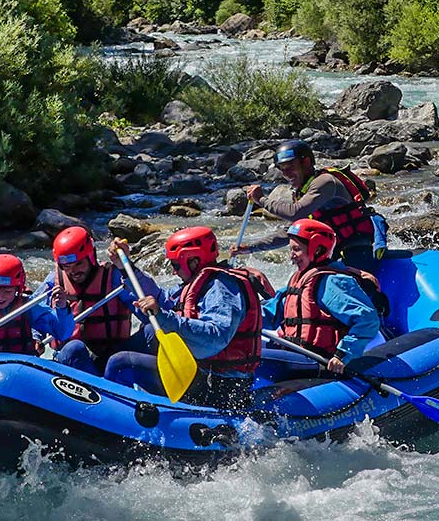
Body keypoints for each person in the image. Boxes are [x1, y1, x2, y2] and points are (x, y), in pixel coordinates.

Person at [103, 226, 266, 409]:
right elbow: (162, 301)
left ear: (194, 261)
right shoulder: (196, 283)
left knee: (121, 364)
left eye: (176, 265)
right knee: (148, 332)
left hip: (220, 386)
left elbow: (215, 338)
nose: (173, 272)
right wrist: (124, 267)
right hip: (200, 371)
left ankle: (110, 414)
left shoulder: (221, 288)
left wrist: (163, 316)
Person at [234, 139, 387, 273]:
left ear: (306, 162)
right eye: (282, 169)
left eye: (290, 166)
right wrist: (250, 248)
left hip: (358, 245)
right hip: (336, 249)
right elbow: (291, 232)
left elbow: (296, 213)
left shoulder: (325, 182)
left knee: (356, 287)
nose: (286, 173)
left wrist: (261, 199)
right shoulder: (303, 192)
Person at [262, 219, 381, 374]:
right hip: (292, 350)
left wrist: (343, 354)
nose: (292, 256)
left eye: (296, 249)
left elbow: (368, 319)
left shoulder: (332, 282)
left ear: (317, 250)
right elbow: (269, 314)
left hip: (315, 358)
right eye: (290, 250)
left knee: (254, 357)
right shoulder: (300, 279)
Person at [40, 226, 159, 374]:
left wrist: (126, 266)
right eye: (66, 266)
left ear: (91, 257)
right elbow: (34, 315)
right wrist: (35, 338)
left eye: (78, 264)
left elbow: (149, 305)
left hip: (113, 353)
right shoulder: (54, 281)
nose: (73, 271)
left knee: (152, 329)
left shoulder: (114, 276)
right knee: (73, 348)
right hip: (73, 359)